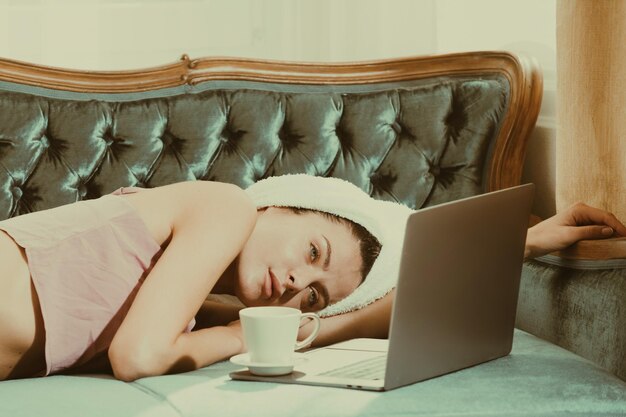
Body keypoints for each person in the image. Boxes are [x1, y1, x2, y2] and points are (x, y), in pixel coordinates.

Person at [0, 175, 624, 382]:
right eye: (314, 249)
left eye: (314, 291)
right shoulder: (225, 206)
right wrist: (264, 335)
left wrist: (522, 240)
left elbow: (374, 308)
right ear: (278, 203)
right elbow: (139, 357)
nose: (298, 281)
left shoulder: (195, 304)